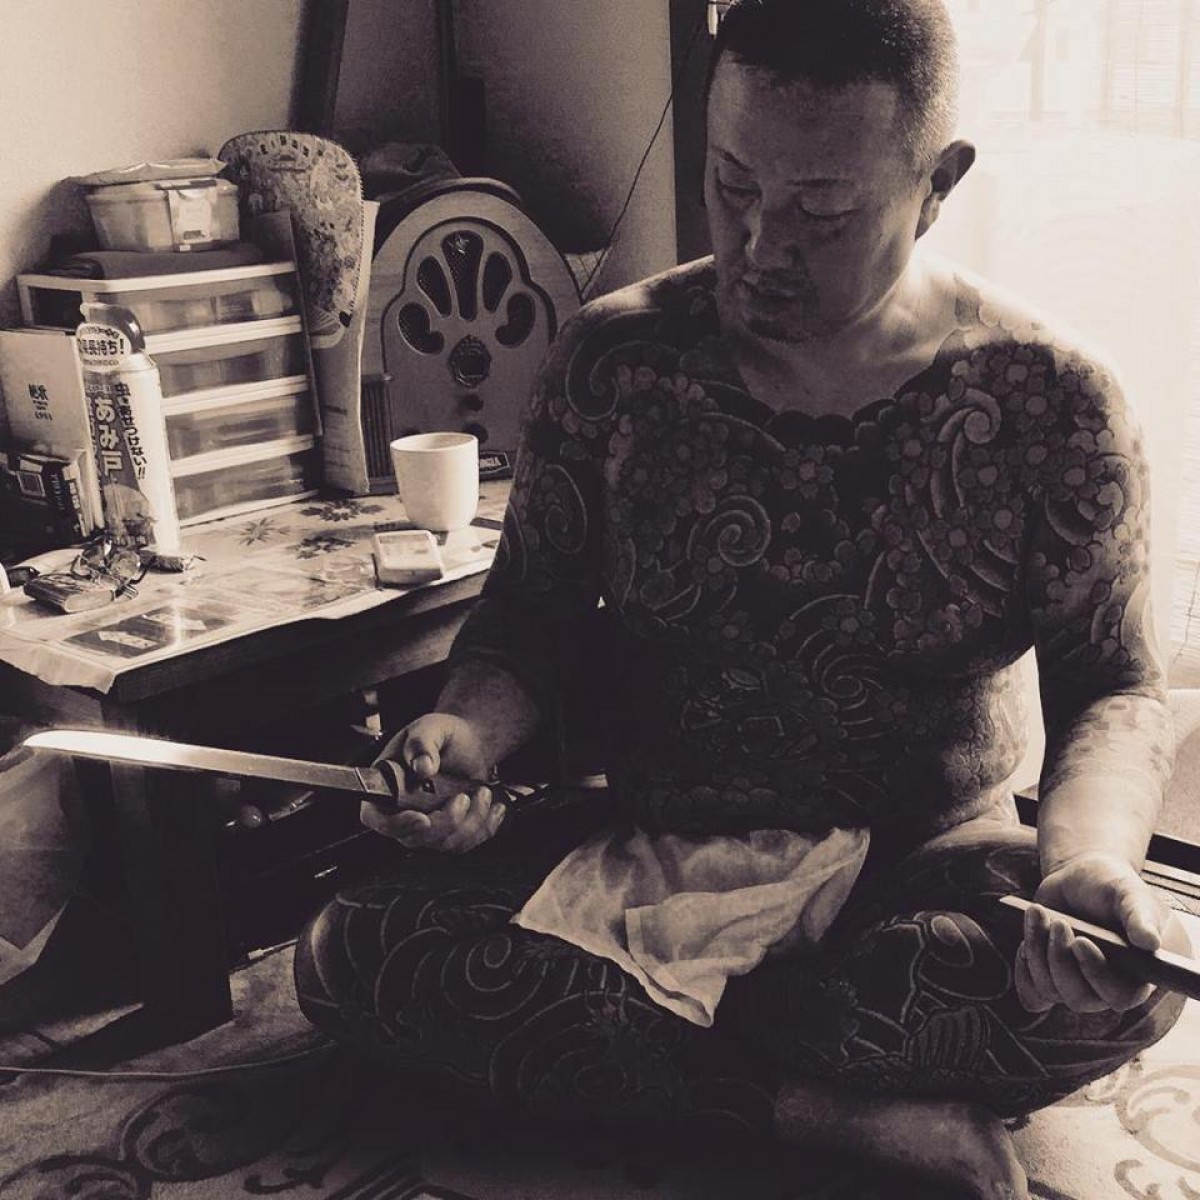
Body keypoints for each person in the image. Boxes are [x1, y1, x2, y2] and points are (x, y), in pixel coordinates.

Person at [295, 1, 1192, 1195]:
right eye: (732, 185)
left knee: (1129, 981)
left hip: (914, 871)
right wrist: (468, 732)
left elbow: (1116, 686)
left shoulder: (1051, 402)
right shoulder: (614, 363)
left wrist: (1085, 865)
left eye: (822, 211)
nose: (763, 245)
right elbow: (528, 620)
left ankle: (670, 1056)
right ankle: (822, 1110)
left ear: (938, 185)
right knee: (351, 951)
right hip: (650, 862)